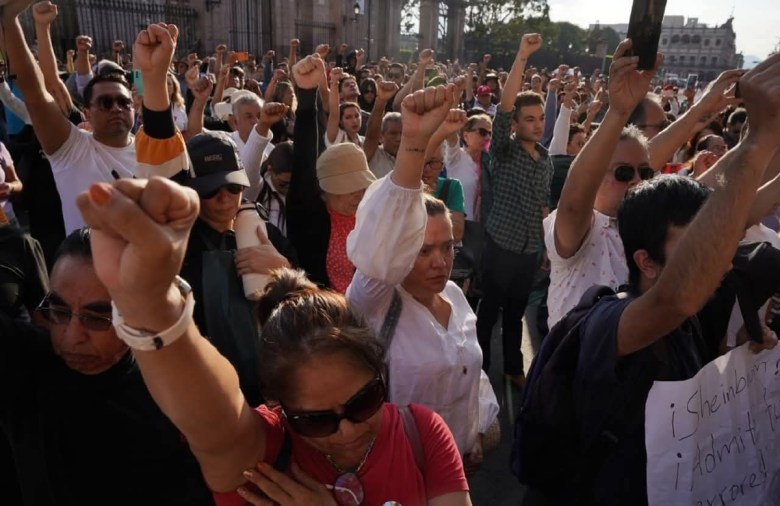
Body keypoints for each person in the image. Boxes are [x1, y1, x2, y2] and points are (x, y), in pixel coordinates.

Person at [74, 76, 473, 506]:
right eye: (315, 420)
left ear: (380, 370)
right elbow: (214, 423)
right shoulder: (263, 462)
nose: (348, 430)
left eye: (365, 401)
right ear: (278, 406)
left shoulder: (423, 434)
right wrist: (150, 308)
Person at [0, 228, 215, 505]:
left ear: (136, 314)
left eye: (97, 318)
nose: (72, 336)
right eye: (59, 312)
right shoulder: (25, 363)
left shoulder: (176, 396)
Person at [347, 85, 499, 472]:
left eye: (447, 247)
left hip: (458, 467)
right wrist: (415, 143)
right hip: (401, 472)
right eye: (423, 251)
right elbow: (382, 243)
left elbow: (471, 369)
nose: (440, 262)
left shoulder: (455, 296)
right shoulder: (376, 302)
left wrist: (479, 428)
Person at [3, 3, 137, 233]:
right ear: (87, 113)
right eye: (105, 103)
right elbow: (36, 91)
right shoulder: (72, 148)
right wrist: (10, 18)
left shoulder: (151, 149)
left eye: (124, 102)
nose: (116, 108)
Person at [475, 33, 551, 388]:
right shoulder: (504, 151)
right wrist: (521, 56)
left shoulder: (545, 160)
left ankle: (512, 368)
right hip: (499, 247)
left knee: (516, 313)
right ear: (515, 124)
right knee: (489, 312)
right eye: (529, 119)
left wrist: (545, 247)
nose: (537, 124)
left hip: (528, 251)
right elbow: (504, 108)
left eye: (541, 118)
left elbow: (543, 205)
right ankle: (479, 370)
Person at [287, 55, 376, 293]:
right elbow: (304, 160)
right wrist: (307, 95)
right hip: (325, 313)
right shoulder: (310, 217)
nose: (358, 194)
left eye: (362, 186)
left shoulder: (371, 216)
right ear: (324, 190)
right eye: (348, 187)